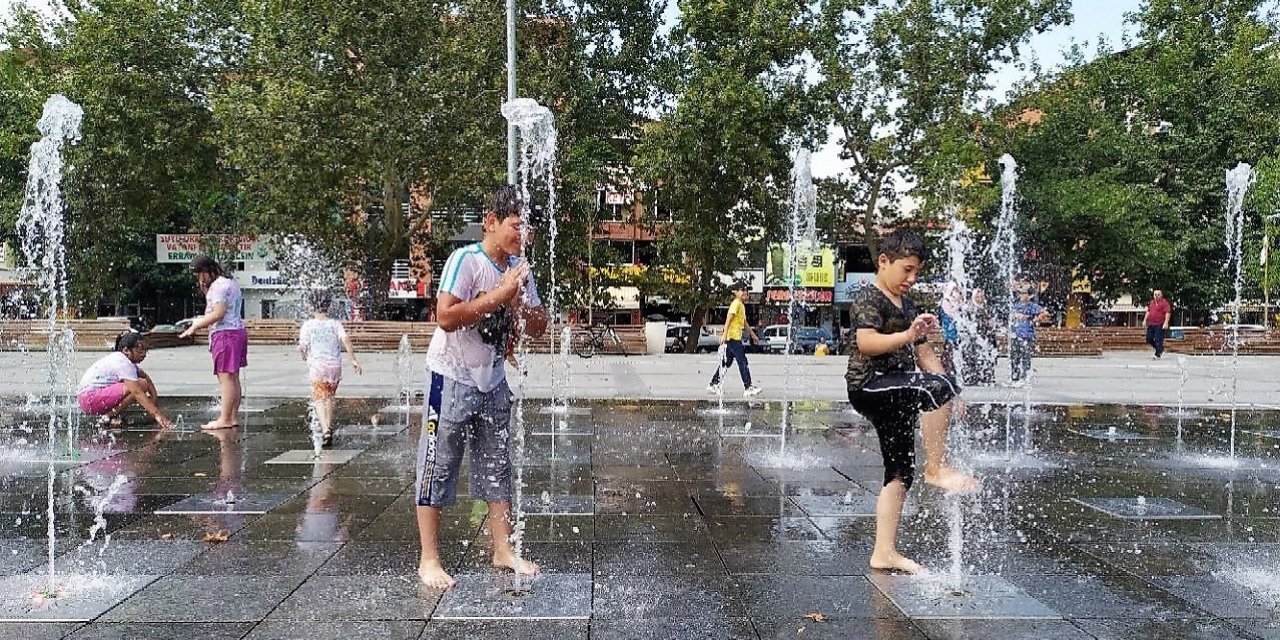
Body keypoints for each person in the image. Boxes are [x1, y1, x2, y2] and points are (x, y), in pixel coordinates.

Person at [416, 186, 548, 590]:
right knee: (437, 465)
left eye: (529, 229)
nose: (523, 235)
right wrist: (499, 294)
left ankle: (503, 548)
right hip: (450, 378)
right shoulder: (466, 261)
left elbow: (539, 327)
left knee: (497, 466)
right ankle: (429, 558)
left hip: (492, 381)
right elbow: (445, 316)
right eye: (515, 226)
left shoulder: (520, 268)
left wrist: (518, 299)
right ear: (490, 221)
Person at [845, 229, 977, 574]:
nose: (912, 278)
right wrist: (907, 336)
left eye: (917, 271)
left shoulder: (910, 304)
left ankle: (884, 552)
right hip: (870, 385)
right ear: (884, 261)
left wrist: (950, 388)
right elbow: (866, 343)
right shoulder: (868, 298)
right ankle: (936, 468)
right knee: (932, 390)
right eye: (907, 269)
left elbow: (924, 352)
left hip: (898, 390)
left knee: (900, 472)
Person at [179, 255, 247, 430]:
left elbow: (218, 313)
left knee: (225, 378)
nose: (199, 279)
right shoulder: (230, 283)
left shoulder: (218, 287)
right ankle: (232, 417)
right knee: (233, 377)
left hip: (225, 335)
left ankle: (224, 419)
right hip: (237, 332)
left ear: (207, 271)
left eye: (199, 274)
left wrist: (195, 326)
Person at [298, 289, 362, 447]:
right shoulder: (335, 324)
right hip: (334, 366)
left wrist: (304, 355)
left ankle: (326, 429)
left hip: (318, 366)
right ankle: (329, 426)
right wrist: (353, 360)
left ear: (310, 306)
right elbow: (346, 340)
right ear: (329, 306)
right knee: (330, 397)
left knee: (319, 399)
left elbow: (303, 347)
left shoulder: (308, 325)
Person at [76, 331, 174, 429]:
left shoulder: (124, 361)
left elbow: (146, 378)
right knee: (139, 385)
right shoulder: (123, 363)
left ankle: (112, 415)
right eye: (140, 350)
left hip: (86, 399)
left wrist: (154, 399)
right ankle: (109, 416)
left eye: (145, 350)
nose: (144, 354)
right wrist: (157, 415)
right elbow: (137, 392)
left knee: (139, 383)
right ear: (126, 350)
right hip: (89, 399)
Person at [706, 282, 762, 397]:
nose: (745, 292)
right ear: (735, 292)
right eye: (742, 290)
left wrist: (753, 335)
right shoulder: (735, 304)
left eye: (746, 290)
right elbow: (728, 319)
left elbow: (744, 322)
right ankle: (748, 387)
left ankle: (713, 384)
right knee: (742, 361)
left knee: (727, 362)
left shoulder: (741, 305)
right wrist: (724, 335)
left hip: (733, 337)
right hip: (732, 338)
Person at [1009, 287, 1049, 387]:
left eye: (1023, 293)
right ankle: (1015, 378)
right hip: (1015, 335)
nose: (1021, 295)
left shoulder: (1032, 306)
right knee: (1015, 357)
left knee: (1025, 358)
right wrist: (1015, 316)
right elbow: (1011, 315)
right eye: (1020, 293)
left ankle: (1025, 378)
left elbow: (1045, 313)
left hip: (1027, 336)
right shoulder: (1016, 305)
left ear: (1029, 295)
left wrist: (1033, 319)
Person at [1144, 289, 1172, 359]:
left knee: (1158, 339)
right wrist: (1145, 320)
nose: (1156, 296)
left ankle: (1158, 354)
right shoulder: (1151, 302)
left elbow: (1168, 313)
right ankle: (1159, 349)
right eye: (1155, 294)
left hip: (1160, 324)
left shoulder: (1165, 303)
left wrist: (1166, 322)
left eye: (1158, 294)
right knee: (1149, 339)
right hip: (1151, 323)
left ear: (1161, 295)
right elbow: (1148, 311)